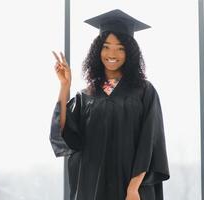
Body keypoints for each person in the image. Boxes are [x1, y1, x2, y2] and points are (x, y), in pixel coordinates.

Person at [50, 9, 170, 200]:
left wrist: (133, 188)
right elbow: (64, 135)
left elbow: (151, 141)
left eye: (120, 48)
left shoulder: (144, 91)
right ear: (98, 50)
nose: (112, 53)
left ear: (129, 52)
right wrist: (65, 86)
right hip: (92, 188)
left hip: (131, 190)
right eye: (106, 47)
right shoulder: (85, 96)